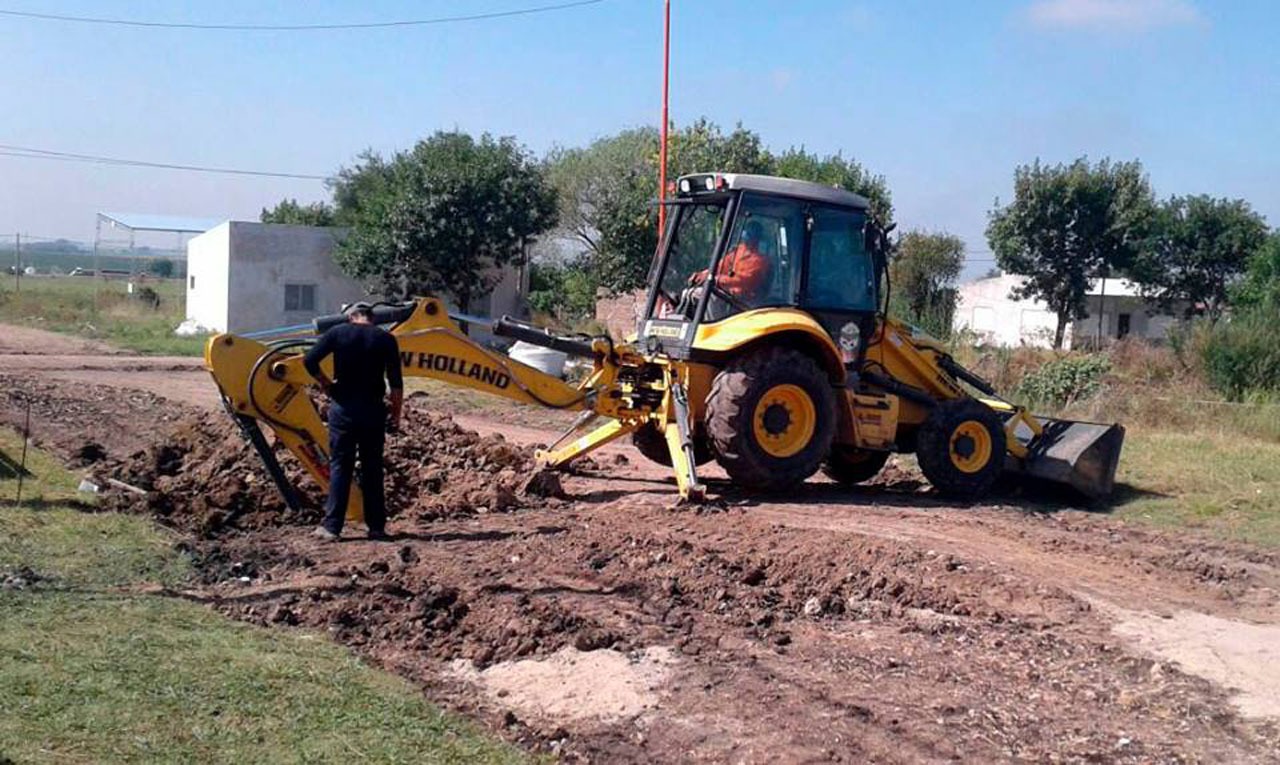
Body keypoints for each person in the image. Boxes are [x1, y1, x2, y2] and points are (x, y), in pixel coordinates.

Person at [303, 302, 403, 541]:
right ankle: (376, 527)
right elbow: (396, 383)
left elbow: (309, 361)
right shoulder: (386, 339)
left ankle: (332, 527)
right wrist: (396, 414)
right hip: (373, 411)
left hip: (344, 409)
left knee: (340, 466)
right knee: (372, 468)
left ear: (351, 318)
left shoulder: (338, 333)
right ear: (372, 319)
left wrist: (326, 384)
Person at [689, 219, 772, 303]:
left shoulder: (761, 261)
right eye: (747, 233)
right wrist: (702, 275)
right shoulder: (739, 251)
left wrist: (717, 279)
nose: (746, 238)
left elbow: (742, 280)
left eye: (751, 235)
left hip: (744, 302)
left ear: (757, 238)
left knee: (709, 297)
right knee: (689, 293)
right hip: (730, 294)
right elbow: (720, 267)